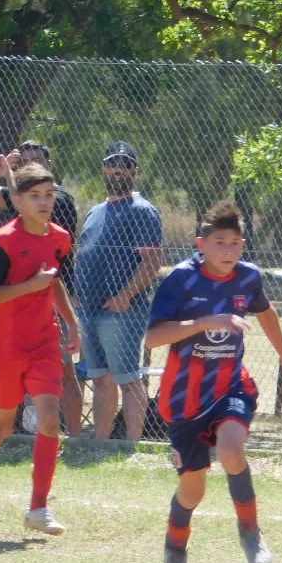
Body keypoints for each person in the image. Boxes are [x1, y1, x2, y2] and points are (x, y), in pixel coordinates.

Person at [146, 201, 282, 563]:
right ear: (200, 244)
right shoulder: (181, 280)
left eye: (235, 242)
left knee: (230, 450)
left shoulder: (248, 277)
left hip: (230, 388)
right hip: (184, 401)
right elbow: (153, 339)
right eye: (219, 242)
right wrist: (207, 322)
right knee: (192, 492)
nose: (228, 250)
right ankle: (175, 547)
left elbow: (266, 313)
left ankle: (250, 532)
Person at [0, 162, 81, 535]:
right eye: (35, 196)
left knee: (48, 419)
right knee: (1, 426)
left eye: (49, 194)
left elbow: (53, 282)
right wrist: (31, 285)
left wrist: (72, 322)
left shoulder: (59, 236)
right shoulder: (3, 242)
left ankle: (38, 509)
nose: (44, 202)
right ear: (17, 200)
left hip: (44, 340)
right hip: (6, 346)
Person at [0, 140, 83, 435]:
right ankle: (26, 431)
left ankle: (72, 436)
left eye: (38, 160)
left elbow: (38, 222)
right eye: (24, 162)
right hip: (19, 306)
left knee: (65, 375)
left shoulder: (59, 201)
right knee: (11, 405)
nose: (31, 165)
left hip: (53, 299)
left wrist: (70, 319)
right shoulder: (21, 207)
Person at [73, 140, 164, 442]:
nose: (118, 171)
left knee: (129, 379)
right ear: (104, 168)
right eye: (113, 165)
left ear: (134, 170)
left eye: (125, 166)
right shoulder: (96, 211)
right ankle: (101, 442)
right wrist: (76, 293)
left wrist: (125, 295)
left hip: (121, 311)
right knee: (101, 378)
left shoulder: (142, 210)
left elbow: (152, 261)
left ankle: (131, 444)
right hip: (88, 308)